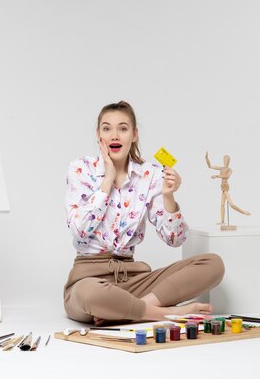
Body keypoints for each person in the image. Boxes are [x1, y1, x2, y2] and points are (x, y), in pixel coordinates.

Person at [64, 101, 224, 325]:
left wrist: (169, 196)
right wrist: (107, 180)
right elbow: (79, 230)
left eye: (123, 128)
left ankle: (132, 309)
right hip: (89, 278)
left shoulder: (150, 174)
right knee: (90, 294)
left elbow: (175, 239)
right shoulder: (81, 169)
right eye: (107, 128)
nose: (114, 135)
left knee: (213, 264)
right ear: (98, 134)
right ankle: (162, 313)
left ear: (134, 134)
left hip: (135, 281)